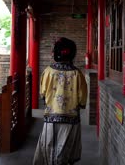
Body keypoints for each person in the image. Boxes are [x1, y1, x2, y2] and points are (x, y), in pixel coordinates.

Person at [33, 37, 88, 165]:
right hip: (71, 118)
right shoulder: (77, 74)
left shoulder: (47, 72)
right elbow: (82, 99)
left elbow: (43, 94)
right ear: (72, 53)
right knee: (65, 149)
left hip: (51, 117)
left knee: (48, 146)